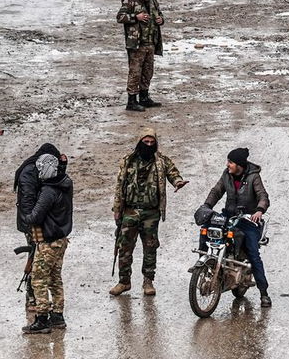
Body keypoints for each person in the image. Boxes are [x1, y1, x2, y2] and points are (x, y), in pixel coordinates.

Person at [110, 128, 187, 297]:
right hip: (130, 211)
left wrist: (178, 182)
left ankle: (148, 281)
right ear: (139, 142)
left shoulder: (161, 161)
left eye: (152, 142)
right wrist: (117, 209)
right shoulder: (128, 161)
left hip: (151, 213)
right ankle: (124, 281)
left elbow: (173, 173)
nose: (149, 145)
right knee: (124, 247)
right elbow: (119, 186)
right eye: (146, 142)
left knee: (150, 248)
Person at [201, 147, 271, 307]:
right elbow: (216, 191)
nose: (227, 165)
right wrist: (206, 206)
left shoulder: (253, 177)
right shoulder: (227, 175)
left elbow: (263, 196)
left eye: (230, 162)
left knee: (253, 253)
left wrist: (259, 211)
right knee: (206, 228)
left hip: (249, 220)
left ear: (239, 164)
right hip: (229, 216)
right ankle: (203, 263)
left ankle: (264, 293)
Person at [23, 151, 73, 335]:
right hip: (61, 240)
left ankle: (42, 318)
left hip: (48, 242)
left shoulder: (47, 192)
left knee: (38, 278)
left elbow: (35, 216)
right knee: (55, 277)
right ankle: (58, 316)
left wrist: (26, 214)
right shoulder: (66, 183)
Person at [14, 143, 64, 324]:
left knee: (43, 266)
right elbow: (27, 202)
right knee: (36, 263)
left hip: (42, 222)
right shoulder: (29, 172)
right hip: (34, 223)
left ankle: (41, 302)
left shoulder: (39, 169)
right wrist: (32, 223)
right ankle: (33, 298)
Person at [116, 0, 164, 111]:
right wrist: (135, 18)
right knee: (135, 73)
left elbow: (159, 16)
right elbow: (120, 17)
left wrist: (161, 20)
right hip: (136, 44)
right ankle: (131, 101)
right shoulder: (131, 2)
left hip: (150, 43)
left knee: (148, 72)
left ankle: (144, 98)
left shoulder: (154, 2)